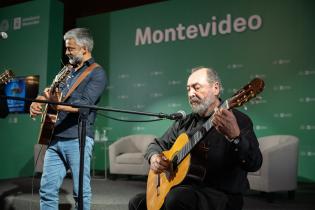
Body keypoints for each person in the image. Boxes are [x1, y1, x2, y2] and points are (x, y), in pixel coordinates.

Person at [129, 67, 262, 210]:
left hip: (221, 195)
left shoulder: (239, 121)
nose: (191, 93)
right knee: (137, 203)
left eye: (196, 87)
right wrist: (154, 157)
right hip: (184, 188)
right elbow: (157, 144)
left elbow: (255, 163)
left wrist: (236, 137)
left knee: (176, 199)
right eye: (188, 89)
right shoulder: (184, 122)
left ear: (215, 88)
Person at [30, 28, 107, 210]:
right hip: (54, 138)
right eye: (66, 48)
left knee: (80, 192)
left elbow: (84, 105)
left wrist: (55, 105)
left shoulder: (97, 73)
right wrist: (39, 101)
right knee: (47, 191)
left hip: (78, 139)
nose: (66, 52)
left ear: (84, 48)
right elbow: (48, 92)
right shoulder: (67, 71)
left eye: (70, 49)